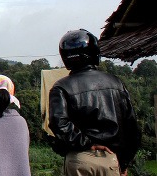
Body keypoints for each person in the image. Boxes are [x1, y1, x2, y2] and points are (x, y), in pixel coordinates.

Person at [48, 29, 140, 176]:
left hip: (78, 158)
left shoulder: (61, 87)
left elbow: (58, 124)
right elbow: (132, 129)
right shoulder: (116, 84)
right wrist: (123, 163)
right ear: (93, 52)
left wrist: (87, 143)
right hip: (110, 158)